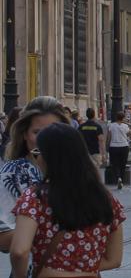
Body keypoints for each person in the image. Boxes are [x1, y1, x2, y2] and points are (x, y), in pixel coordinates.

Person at [9, 123, 125, 277]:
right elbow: (114, 259)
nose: (36, 159)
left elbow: (19, 251)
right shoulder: (106, 199)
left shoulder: (35, 198)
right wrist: (80, 269)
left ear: (49, 157)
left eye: (38, 153)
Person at [0, 99, 71, 251]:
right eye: (37, 132)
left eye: (54, 131)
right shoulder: (13, 173)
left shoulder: (80, 170)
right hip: (36, 269)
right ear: (24, 134)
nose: (47, 139)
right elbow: (3, 238)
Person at [105, 111, 131, 191]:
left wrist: (107, 146)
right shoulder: (125, 126)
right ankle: (122, 180)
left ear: (116, 117)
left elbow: (109, 137)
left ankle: (118, 178)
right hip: (124, 146)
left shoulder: (111, 125)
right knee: (123, 164)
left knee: (115, 164)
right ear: (123, 118)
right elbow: (130, 134)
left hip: (114, 146)